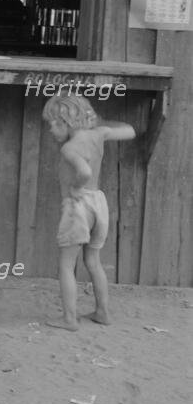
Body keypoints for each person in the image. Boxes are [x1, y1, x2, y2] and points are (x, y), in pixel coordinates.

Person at [42, 94, 136, 331]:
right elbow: (129, 131)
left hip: (79, 205)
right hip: (99, 202)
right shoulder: (99, 134)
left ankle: (69, 319)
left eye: (53, 123)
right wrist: (98, 123)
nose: (51, 129)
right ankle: (103, 312)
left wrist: (75, 187)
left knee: (66, 264)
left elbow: (83, 171)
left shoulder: (69, 148)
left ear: (66, 121)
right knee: (93, 261)